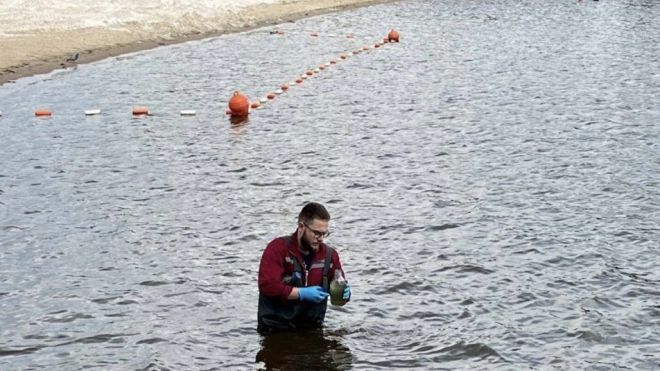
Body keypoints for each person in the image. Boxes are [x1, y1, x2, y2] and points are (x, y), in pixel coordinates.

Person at [257, 202, 351, 334]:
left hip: (311, 329)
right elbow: (267, 286)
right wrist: (301, 293)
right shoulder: (277, 249)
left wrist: (345, 294)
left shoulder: (330, 256)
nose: (321, 239)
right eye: (317, 233)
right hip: (275, 330)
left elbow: (339, 297)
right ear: (301, 226)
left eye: (325, 234)